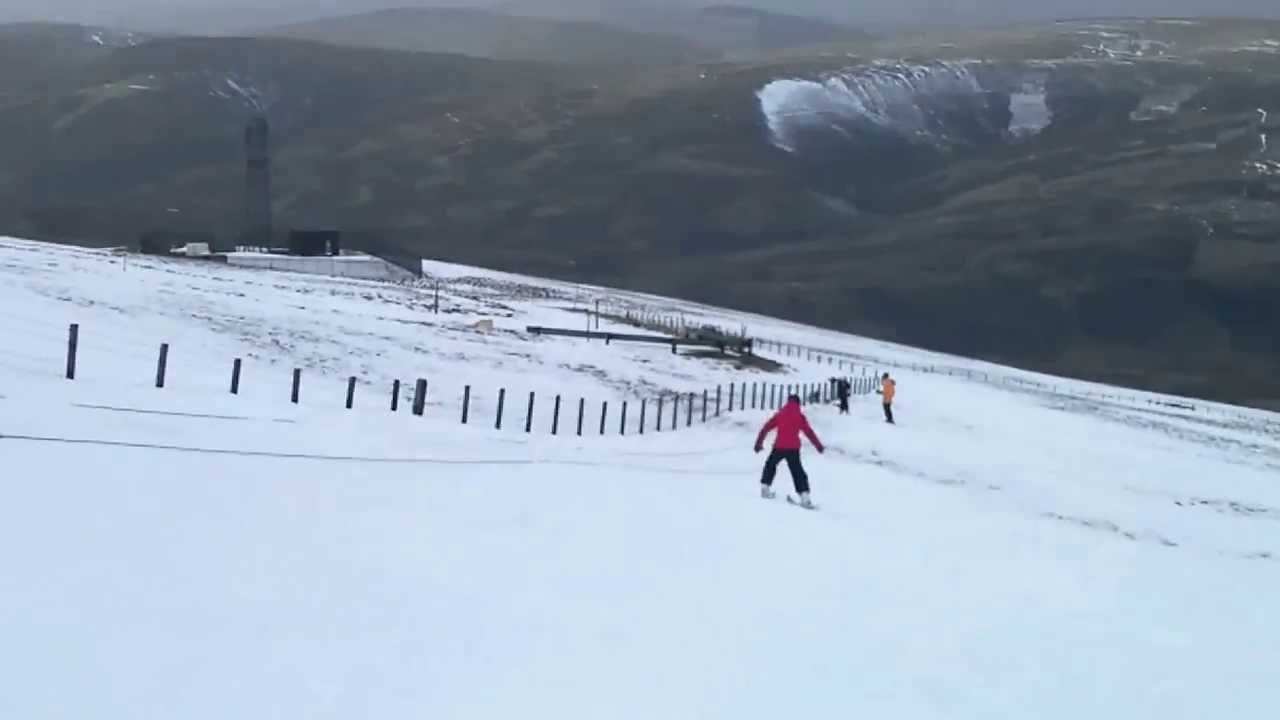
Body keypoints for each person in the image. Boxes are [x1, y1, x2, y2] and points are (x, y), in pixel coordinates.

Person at [754, 394, 825, 507]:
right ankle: (804, 496)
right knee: (797, 472)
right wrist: (819, 446)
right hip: (793, 449)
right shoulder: (800, 416)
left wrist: (758, 443)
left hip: (779, 447)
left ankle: (765, 488)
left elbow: (765, 428)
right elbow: (809, 432)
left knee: (770, 465)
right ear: (798, 403)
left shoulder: (780, 414)